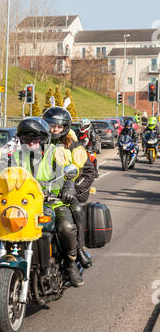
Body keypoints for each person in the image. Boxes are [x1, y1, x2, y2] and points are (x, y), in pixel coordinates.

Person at [9, 117, 85, 287]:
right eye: (27, 139)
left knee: (66, 227)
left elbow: (68, 171)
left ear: (44, 139)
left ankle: (71, 263)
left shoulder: (55, 152)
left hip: (53, 202)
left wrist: (68, 186)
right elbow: (7, 176)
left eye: (36, 138)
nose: (31, 142)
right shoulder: (16, 156)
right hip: (25, 205)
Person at [42, 107, 95, 271]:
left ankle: (76, 254)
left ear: (65, 126)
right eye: (52, 125)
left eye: (59, 126)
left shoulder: (73, 146)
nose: (55, 129)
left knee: (74, 215)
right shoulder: (39, 143)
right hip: (40, 194)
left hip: (65, 196)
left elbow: (88, 172)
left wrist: (74, 191)